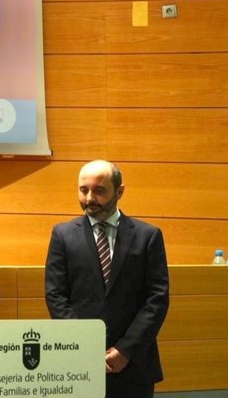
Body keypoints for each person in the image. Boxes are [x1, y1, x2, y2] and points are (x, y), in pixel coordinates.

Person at [45, 160, 170, 398]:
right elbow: (56, 296)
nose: (89, 198)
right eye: (83, 190)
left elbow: (157, 299)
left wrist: (125, 350)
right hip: (79, 362)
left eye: (99, 190)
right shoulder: (62, 235)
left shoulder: (148, 236)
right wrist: (86, 346)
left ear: (120, 191)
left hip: (134, 365)